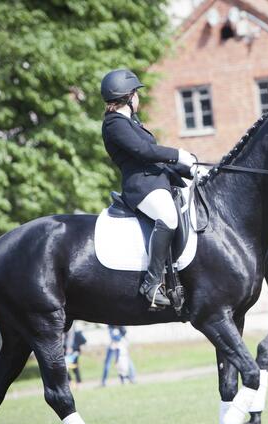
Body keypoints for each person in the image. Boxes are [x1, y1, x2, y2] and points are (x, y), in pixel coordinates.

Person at [101, 69, 201, 308]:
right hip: (141, 186)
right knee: (167, 218)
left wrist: (186, 170)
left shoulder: (131, 122)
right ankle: (152, 284)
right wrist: (178, 154)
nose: (139, 98)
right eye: (136, 93)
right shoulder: (114, 124)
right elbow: (143, 152)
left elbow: (153, 159)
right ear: (128, 96)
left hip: (157, 181)